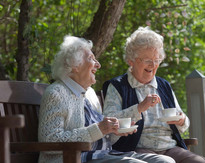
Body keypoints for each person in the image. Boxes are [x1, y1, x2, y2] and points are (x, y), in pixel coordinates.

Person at [38, 35, 175, 163]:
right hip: (79, 159)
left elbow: (102, 137)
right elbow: (49, 142)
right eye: (91, 58)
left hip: (104, 155)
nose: (98, 64)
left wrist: (115, 130)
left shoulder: (89, 94)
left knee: (165, 161)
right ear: (75, 66)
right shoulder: (56, 93)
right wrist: (99, 129)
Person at [102, 27, 205, 163]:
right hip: (136, 149)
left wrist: (181, 120)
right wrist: (139, 108)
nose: (153, 65)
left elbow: (183, 121)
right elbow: (109, 124)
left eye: (157, 60)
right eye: (147, 60)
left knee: (198, 162)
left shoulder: (163, 85)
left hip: (170, 147)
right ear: (131, 60)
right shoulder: (117, 86)